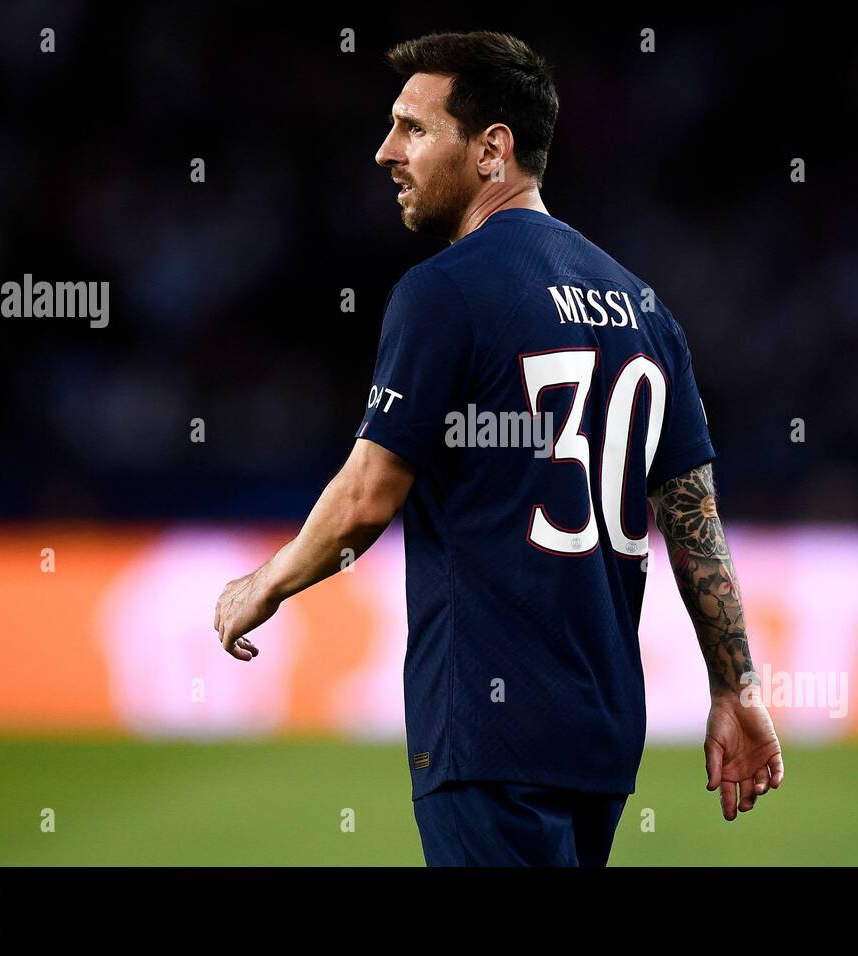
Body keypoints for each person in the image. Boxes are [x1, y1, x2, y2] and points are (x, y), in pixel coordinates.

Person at [213, 30, 783, 866]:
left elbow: (371, 492)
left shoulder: (442, 293)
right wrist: (736, 686)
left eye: (413, 128)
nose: (386, 152)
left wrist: (264, 582)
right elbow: (693, 521)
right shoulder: (646, 310)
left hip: (487, 727)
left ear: (492, 150)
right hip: (600, 735)